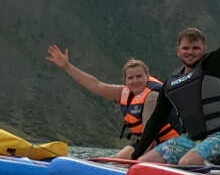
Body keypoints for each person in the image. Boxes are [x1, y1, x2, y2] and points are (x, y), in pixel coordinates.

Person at [130, 0, 220, 167]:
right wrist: (135, 156)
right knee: (144, 163)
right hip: (191, 139)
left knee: (187, 162)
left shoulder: (215, 63)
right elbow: (155, 121)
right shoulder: (171, 83)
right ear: (178, 51)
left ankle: (216, 170)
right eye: (186, 48)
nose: (190, 52)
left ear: (204, 49)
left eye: (196, 48)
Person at [44, 44, 178, 157]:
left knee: (128, 159)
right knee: (117, 159)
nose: (135, 80)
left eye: (139, 76)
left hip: (169, 144)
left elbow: (150, 137)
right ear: (125, 80)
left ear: (147, 76)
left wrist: (135, 160)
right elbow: (95, 85)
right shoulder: (123, 93)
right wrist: (67, 66)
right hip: (148, 143)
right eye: (130, 78)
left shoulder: (153, 96)